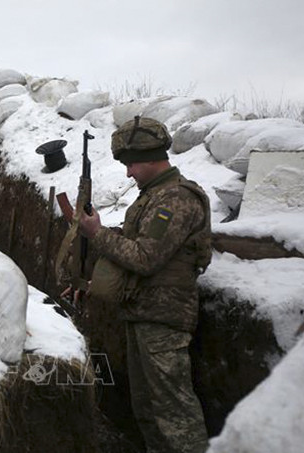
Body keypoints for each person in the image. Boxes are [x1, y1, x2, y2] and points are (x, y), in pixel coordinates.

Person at [79, 116, 212, 453]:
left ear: (152, 156)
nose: (127, 173)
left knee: (175, 416)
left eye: (131, 164)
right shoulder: (152, 195)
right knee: (147, 410)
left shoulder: (175, 199)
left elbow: (145, 257)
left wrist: (98, 234)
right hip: (141, 312)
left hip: (163, 319)